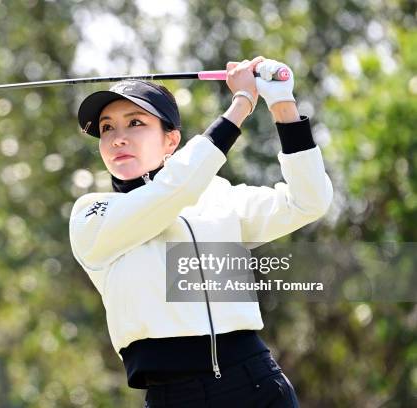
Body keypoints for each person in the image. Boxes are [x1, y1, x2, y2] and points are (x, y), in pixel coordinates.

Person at [69, 56, 333, 407]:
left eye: (135, 123)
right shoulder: (92, 215)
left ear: (170, 141)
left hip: (257, 384)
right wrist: (242, 103)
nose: (118, 139)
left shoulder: (217, 196)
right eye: (107, 128)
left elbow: (308, 201)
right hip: (174, 398)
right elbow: (173, 191)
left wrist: (281, 102)